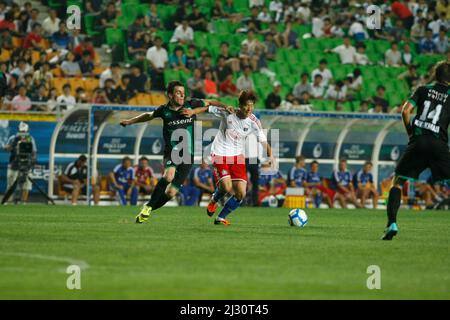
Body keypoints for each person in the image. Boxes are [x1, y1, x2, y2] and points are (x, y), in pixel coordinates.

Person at [120, 81, 232, 223]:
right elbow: (149, 115)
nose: (182, 95)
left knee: (171, 192)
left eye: (183, 92)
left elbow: (210, 102)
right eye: (178, 92)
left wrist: (225, 106)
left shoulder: (191, 104)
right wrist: (130, 121)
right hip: (172, 152)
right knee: (168, 176)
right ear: (170, 95)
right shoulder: (163, 110)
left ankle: (148, 208)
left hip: (188, 155)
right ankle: (148, 207)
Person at [382, 61, 450, 240]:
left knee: (397, 182)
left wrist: (411, 132)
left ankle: (392, 224)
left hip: (418, 142)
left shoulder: (422, 89)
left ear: (435, 75)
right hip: (439, 144)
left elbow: (405, 111)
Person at [195, 90, 274, 225]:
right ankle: (214, 199)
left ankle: (221, 217)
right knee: (226, 187)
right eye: (246, 105)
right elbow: (209, 106)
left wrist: (271, 156)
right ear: (240, 105)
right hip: (219, 153)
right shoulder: (229, 112)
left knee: (241, 193)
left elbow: (264, 141)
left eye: (252, 105)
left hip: (237, 156)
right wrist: (192, 112)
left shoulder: (254, 121)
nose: (249, 109)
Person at [3, 122, 36, 203]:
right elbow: (6, 148)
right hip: (14, 164)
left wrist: (32, 162)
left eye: (24, 131)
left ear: (27, 130)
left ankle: (24, 202)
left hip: (26, 164)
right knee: (10, 184)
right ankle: (7, 201)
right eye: (22, 131)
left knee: (27, 185)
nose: (23, 133)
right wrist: (14, 142)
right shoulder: (13, 138)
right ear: (18, 130)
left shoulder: (30, 139)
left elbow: (34, 152)